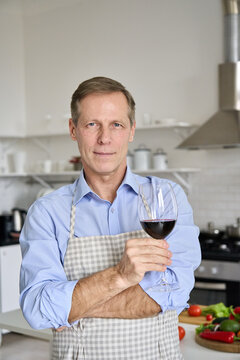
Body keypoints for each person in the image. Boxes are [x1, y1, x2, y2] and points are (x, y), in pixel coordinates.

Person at [19, 76, 201, 360]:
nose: (104, 138)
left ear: (131, 131)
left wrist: (73, 307)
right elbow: (38, 309)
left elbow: (173, 294)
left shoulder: (167, 198)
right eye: (92, 124)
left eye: (116, 124)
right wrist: (119, 276)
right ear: (73, 129)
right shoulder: (46, 212)